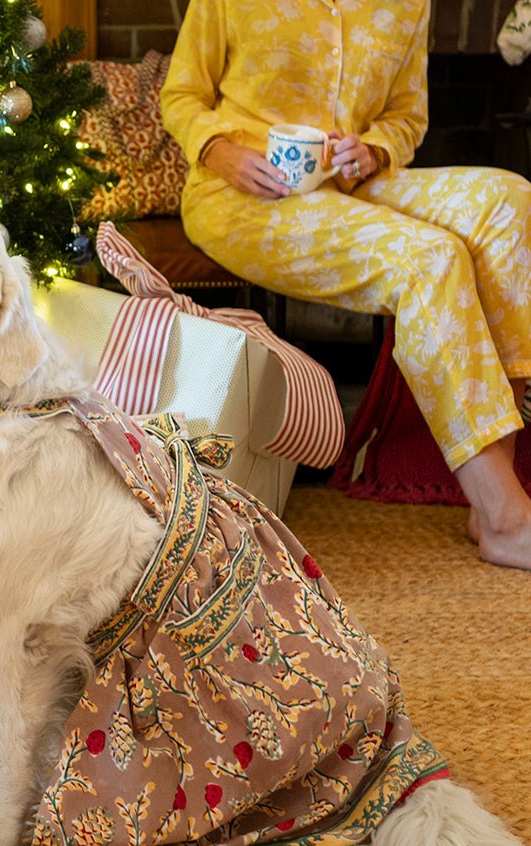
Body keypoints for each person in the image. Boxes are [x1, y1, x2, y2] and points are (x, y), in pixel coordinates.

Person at [160, 0, 531, 570]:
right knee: (429, 258)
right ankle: (509, 519)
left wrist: (376, 148)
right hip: (240, 198)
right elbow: (181, 95)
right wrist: (222, 152)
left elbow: (407, 116)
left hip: (353, 187)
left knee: (508, 200)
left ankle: (493, 502)